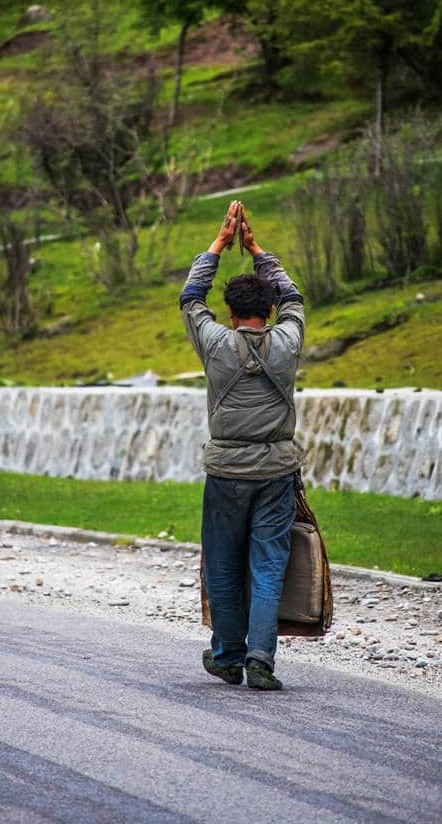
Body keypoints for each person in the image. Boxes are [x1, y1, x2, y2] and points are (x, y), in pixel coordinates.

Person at [179, 199, 305, 691]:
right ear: (269, 310)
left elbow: (191, 297)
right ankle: (261, 661)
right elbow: (295, 298)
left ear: (229, 313)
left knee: (225, 567)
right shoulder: (288, 340)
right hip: (276, 472)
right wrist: (257, 250)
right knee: (269, 564)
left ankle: (228, 657)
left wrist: (219, 243)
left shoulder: (213, 342)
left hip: (226, 473)